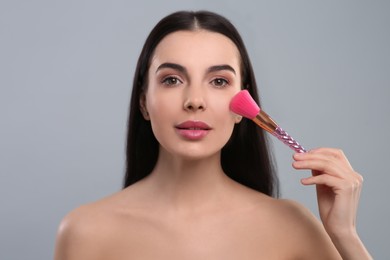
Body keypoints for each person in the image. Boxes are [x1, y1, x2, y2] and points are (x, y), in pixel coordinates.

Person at [54, 10, 372, 259]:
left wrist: (345, 235)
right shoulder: (85, 231)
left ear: (242, 107)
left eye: (219, 81)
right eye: (172, 80)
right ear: (144, 102)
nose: (195, 100)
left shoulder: (292, 225)